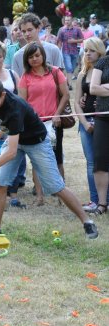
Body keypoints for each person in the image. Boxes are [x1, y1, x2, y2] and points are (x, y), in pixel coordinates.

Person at [0, 77, 98, 239]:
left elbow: (10, 153)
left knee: (55, 186)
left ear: (3, 95)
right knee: (0, 183)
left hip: (36, 142)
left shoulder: (15, 109)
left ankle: (87, 221)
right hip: (14, 139)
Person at [18, 42, 69, 206]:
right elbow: (22, 103)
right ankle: (39, 196)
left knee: (57, 158)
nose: (34, 59)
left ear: (43, 56)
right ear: (27, 59)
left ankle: (61, 195)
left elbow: (66, 95)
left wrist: (57, 114)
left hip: (54, 122)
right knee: (36, 159)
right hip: (34, 124)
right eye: (31, 57)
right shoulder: (25, 77)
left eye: (37, 55)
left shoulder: (55, 72)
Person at [74, 37, 108, 212]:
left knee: (104, 160)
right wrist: (85, 123)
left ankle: (105, 199)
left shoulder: (104, 70)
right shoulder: (81, 74)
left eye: (92, 50)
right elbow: (76, 103)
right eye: (85, 50)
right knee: (91, 162)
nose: (87, 53)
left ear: (100, 52)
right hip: (87, 123)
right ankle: (95, 200)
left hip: (103, 119)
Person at [12, 13, 64, 78]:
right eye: (24, 31)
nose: (27, 34)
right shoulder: (17, 56)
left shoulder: (53, 50)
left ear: (38, 28)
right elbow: (17, 82)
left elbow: (60, 77)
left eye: (30, 30)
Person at [89, 48, 109, 215]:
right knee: (100, 159)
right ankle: (102, 204)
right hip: (103, 117)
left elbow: (99, 88)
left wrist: (106, 87)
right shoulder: (103, 62)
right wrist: (100, 87)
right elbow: (94, 89)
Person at [57, 16, 84, 90]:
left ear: (71, 20)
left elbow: (82, 39)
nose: (67, 21)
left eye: (68, 20)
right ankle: (70, 85)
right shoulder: (61, 30)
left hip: (75, 51)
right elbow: (59, 41)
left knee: (72, 68)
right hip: (65, 51)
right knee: (69, 67)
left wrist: (74, 41)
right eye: (66, 20)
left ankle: (66, 80)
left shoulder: (77, 29)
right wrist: (58, 51)